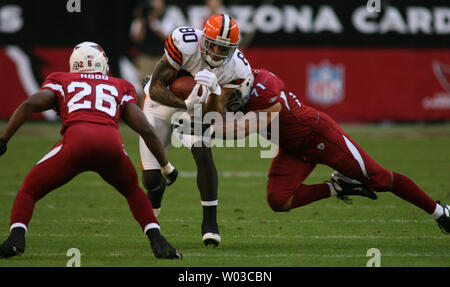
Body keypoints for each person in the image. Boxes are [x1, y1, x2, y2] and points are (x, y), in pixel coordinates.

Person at [211, 68, 450, 234]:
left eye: (230, 93)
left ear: (243, 84)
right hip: (293, 148)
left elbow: (246, 128)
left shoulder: (265, 91)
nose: (226, 99)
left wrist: (207, 130)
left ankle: (440, 212)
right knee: (279, 200)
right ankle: (338, 187)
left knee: (378, 178)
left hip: (319, 136)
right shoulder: (241, 88)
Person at [0, 42, 182, 259]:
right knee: (133, 191)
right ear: (102, 63)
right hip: (111, 144)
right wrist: (166, 166)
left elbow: (30, 104)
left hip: (76, 142)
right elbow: (147, 130)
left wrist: (3, 139)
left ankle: (16, 238)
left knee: (29, 191)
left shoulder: (61, 80)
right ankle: (157, 240)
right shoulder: (119, 85)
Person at [140, 13, 252, 247]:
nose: (218, 53)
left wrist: (214, 91)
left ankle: (210, 223)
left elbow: (215, 113)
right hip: (160, 104)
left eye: (225, 49)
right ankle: (161, 182)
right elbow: (155, 88)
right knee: (150, 179)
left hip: (197, 110)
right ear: (203, 40)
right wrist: (184, 103)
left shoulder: (236, 68)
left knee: (202, 151)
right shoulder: (185, 43)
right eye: (214, 46)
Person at [130, 0, 169, 85]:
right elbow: (137, 38)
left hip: (160, 56)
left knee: (162, 82)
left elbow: (166, 37)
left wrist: (153, 22)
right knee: (145, 82)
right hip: (145, 57)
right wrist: (142, 21)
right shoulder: (139, 22)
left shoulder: (164, 19)